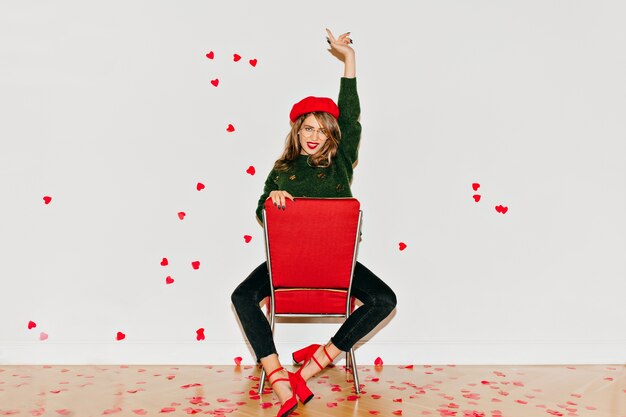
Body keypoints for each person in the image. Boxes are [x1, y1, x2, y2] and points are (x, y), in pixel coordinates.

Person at [231, 28, 397, 417]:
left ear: (331, 138)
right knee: (241, 295)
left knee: (384, 299)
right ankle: (279, 379)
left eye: (322, 131)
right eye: (309, 127)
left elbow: (351, 114)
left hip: (334, 266)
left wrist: (349, 59)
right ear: (297, 129)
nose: (314, 136)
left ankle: (315, 362)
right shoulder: (283, 168)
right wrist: (270, 200)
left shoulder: (339, 163)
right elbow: (261, 211)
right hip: (288, 265)